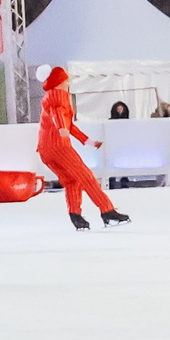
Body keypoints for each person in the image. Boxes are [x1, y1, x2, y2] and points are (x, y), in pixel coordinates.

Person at [38, 67, 128, 230]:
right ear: (60, 82)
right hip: (58, 146)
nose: (68, 83)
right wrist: (60, 128)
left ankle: (75, 215)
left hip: (46, 150)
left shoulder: (50, 96)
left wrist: (89, 142)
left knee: (72, 180)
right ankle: (107, 210)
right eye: (66, 80)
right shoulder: (58, 95)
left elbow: (70, 126)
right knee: (86, 176)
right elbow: (57, 113)